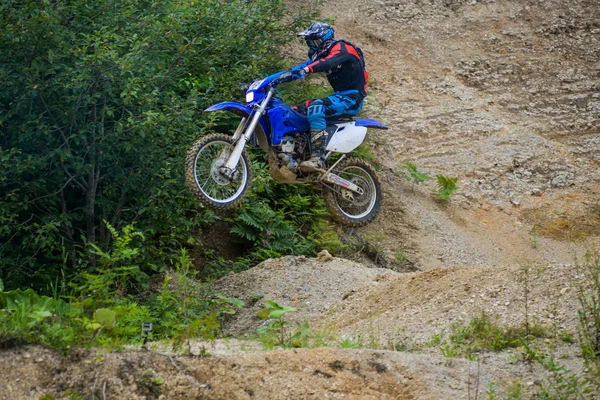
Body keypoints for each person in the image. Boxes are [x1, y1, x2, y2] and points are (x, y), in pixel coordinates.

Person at [276, 22, 369, 172]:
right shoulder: (321, 56)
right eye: (310, 43)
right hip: (338, 97)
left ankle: (317, 159)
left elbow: (329, 62)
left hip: (352, 98)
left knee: (316, 107)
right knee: (291, 112)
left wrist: (307, 69)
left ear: (325, 38)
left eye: (315, 42)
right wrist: (269, 80)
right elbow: (295, 70)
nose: (313, 46)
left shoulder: (344, 48)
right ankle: (295, 153)